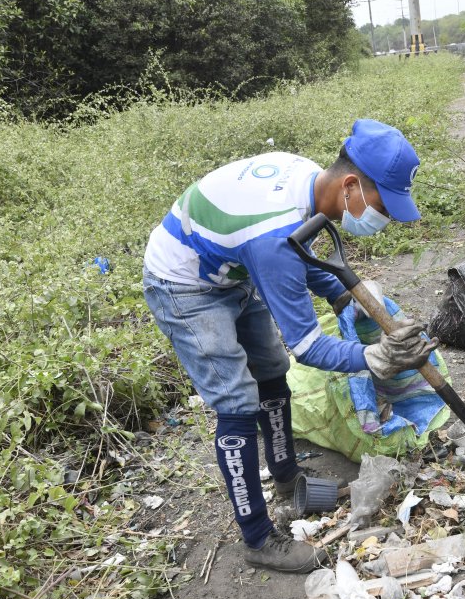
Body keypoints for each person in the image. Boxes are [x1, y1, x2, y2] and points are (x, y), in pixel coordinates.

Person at [142, 119, 435, 574]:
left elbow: (302, 257)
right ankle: (258, 538)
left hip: (234, 268)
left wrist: (346, 295)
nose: (388, 218)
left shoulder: (307, 182)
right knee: (237, 402)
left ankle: (286, 477)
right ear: (352, 186)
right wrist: (373, 357)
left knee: (272, 371)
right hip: (185, 284)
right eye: (384, 206)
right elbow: (308, 345)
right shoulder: (273, 233)